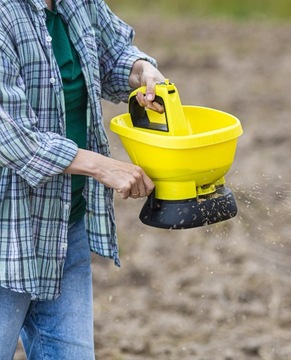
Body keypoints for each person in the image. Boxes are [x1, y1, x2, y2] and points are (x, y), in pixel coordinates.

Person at [0, 0, 166, 358]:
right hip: (7, 235)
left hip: (63, 225)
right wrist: (101, 166)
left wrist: (143, 72)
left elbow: (114, 53)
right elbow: (9, 135)